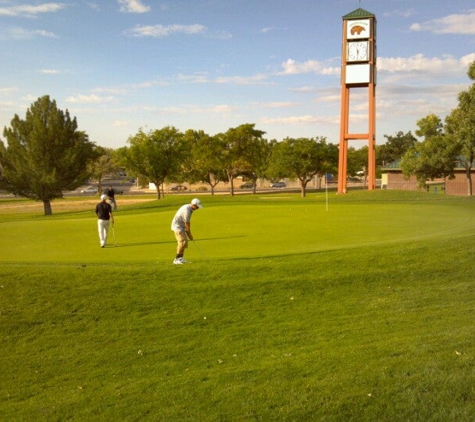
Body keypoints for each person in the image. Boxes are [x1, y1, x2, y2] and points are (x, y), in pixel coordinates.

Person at [171, 198, 202, 264]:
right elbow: (187, 223)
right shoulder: (187, 210)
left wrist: (188, 232)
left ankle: (180, 258)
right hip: (177, 227)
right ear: (193, 205)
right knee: (182, 242)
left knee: (184, 243)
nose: (197, 208)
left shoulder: (188, 208)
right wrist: (189, 234)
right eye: (197, 206)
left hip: (181, 226)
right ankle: (176, 259)